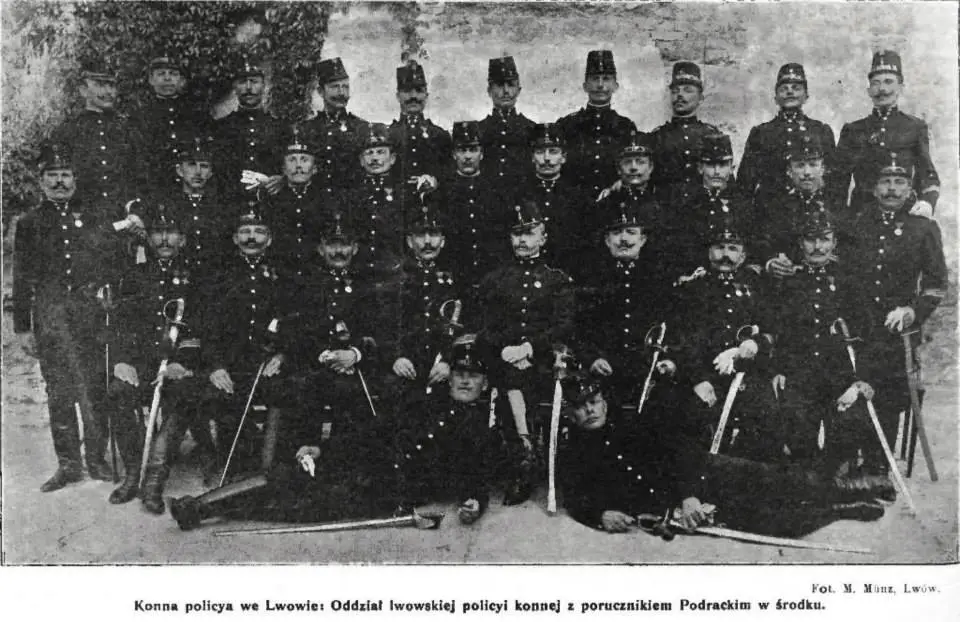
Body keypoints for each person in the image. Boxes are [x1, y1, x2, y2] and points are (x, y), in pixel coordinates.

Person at [559, 371, 889, 537]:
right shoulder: (573, 450)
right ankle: (844, 510)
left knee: (784, 482)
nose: (590, 411)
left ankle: (857, 488)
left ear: (605, 400)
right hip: (674, 505)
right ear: (568, 414)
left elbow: (681, 451)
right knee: (776, 522)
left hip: (703, 472)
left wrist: (688, 494)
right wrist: (601, 515)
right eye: (580, 407)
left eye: (594, 402)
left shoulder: (633, 423)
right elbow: (575, 496)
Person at [13, 143, 119, 491]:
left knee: (94, 388)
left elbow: (109, 264)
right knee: (59, 391)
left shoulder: (94, 217)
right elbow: (22, 276)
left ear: (75, 179)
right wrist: (23, 328)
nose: (60, 182)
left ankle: (96, 459)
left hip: (89, 314)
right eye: (52, 175)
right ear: (41, 181)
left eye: (65, 175)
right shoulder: (29, 223)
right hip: (51, 316)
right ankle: (69, 465)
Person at [841, 152, 947, 478]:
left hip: (896, 333)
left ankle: (877, 467)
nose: (891, 189)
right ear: (873, 188)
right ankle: (845, 461)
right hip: (856, 329)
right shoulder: (855, 224)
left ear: (910, 189)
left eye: (899, 182)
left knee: (887, 391)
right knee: (844, 385)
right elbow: (841, 275)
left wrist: (912, 312)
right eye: (885, 182)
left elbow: (935, 285)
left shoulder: (923, 228)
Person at [107, 204, 209, 511]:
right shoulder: (133, 275)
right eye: (157, 233)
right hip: (142, 362)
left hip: (180, 363)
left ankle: (154, 479)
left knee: (184, 393)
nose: (164, 239)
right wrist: (122, 361)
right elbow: (120, 324)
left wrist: (183, 362)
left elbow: (204, 326)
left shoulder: (198, 278)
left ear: (183, 239)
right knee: (118, 392)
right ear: (147, 238)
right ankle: (133, 473)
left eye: (171, 233)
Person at [477, 199, 575, 505]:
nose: (522, 240)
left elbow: (564, 324)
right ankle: (524, 459)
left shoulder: (556, 280)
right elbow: (486, 325)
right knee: (508, 376)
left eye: (529, 233)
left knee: (524, 378)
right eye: (517, 233)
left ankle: (534, 458)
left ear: (543, 238)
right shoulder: (495, 280)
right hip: (505, 358)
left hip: (544, 357)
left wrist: (529, 348)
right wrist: (506, 349)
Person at [768, 210, 874, 469]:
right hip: (799, 375)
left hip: (840, 375)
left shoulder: (849, 282)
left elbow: (866, 334)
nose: (817, 247)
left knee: (846, 431)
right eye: (810, 239)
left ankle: (835, 478)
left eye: (824, 239)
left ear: (834, 242)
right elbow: (779, 330)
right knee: (798, 434)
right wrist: (778, 369)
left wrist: (859, 381)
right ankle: (807, 480)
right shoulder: (788, 283)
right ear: (800, 243)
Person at [672, 215, 779, 462]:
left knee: (765, 429)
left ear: (743, 255)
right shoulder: (692, 290)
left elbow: (773, 330)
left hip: (749, 376)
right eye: (719, 247)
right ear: (709, 252)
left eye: (733, 248)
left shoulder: (757, 287)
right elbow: (682, 341)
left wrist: (755, 344)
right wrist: (698, 380)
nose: (725, 255)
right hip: (706, 378)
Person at [201, 202, 295, 481]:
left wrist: (282, 355)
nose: (252, 237)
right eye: (245, 231)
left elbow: (295, 322)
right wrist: (216, 366)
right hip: (231, 363)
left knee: (288, 390)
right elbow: (208, 327)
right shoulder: (219, 276)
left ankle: (273, 465)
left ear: (270, 238)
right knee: (225, 394)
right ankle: (235, 466)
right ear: (234, 238)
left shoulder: (284, 275)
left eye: (259, 231)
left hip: (270, 361)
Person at [387, 334, 499, 525]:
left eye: (473, 376)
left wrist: (475, 501)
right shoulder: (423, 410)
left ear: (485, 384)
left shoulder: (477, 425)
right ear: (449, 380)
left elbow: (477, 470)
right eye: (459, 375)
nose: (465, 382)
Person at [290, 212, 385, 434]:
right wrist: (324, 354)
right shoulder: (305, 284)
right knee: (301, 389)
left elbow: (376, 327)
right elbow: (297, 328)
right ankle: (307, 449)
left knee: (357, 398)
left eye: (344, 245)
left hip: (356, 364)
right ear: (320, 249)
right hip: (315, 363)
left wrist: (354, 354)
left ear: (355, 248)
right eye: (332, 245)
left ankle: (345, 450)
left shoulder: (367, 284)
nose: (338, 251)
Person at [577, 193, 674, 405]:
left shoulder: (659, 279)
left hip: (650, 372)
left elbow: (673, 325)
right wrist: (591, 358)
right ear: (606, 240)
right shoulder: (592, 279)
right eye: (616, 233)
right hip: (605, 372)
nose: (623, 239)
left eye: (631, 232)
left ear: (643, 240)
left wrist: (669, 359)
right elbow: (579, 327)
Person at [835, 51, 939, 217]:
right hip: (862, 217)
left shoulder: (914, 127)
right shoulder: (853, 130)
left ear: (900, 87)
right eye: (876, 83)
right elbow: (837, 182)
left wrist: (927, 202)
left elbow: (927, 174)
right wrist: (839, 219)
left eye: (889, 82)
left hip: (905, 214)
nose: (882, 89)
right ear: (869, 90)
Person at [387, 193, 464, 402]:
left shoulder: (457, 280)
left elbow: (466, 326)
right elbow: (382, 326)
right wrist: (395, 358)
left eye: (434, 234)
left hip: (445, 371)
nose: (428, 242)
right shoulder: (395, 279)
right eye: (420, 235)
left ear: (443, 241)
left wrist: (449, 361)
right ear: (409, 241)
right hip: (404, 370)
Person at [738, 63, 838, 209]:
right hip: (769, 213)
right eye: (784, 89)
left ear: (806, 96)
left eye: (796, 88)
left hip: (809, 211)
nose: (790, 92)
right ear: (776, 98)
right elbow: (745, 184)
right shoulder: (761, 133)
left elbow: (832, 181)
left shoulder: (821, 131)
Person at [49, 58, 133, 221]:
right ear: (83, 90)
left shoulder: (127, 129)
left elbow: (139, 175)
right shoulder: (68, 130)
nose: (108, 92)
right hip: (80, 215)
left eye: (111, 85)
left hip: (122, 216)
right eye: (100, 85)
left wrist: (135, 212)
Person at [665, 132, 753, 277]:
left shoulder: (743, 204)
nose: (717, 172)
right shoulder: (684, 204)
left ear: (732, 168)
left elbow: (751, 246)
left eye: (723, 165)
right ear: (700, 168)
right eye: (711, 165)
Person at [555, 50, 637, 198]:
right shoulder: (567, 125)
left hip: (614, 201)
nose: (600, 85)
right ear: (585, 86)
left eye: (606, 79)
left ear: (615, 86)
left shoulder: (625, 126)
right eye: (594, 79)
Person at [128, 50, 209, 195]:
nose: (167, 78)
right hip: (154, 186)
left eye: (173, 74)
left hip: (188, 189)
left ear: (181, 80)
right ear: (151, 80)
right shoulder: (140, 115)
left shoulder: (195, 113)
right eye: (161, 74)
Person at [442, 120, 510, 289]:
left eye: (473, 150)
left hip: (493, 276)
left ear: (481, 153)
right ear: (454, 154)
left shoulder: (497, 189)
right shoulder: (442, 190)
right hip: (455, 275)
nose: (467, 156)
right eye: (462, 150)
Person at [759, 134, 835, 279]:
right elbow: (761, 241)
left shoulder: (835, 205)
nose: (807, 173)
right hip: (785, 279)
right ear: (789, 170)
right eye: (800, 165)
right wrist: (770, 261)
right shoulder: (774, 205)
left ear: (822, 169)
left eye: (813, 165)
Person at [516, 123, 586, 279]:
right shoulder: (518, 194)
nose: (546, 158)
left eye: (553, 151)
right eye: (540, 152)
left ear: (563, 157)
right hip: (526, 276)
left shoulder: (579, 196)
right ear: (532, 157)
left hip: (569, 274)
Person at [345, 123, 416, 278]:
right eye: (369, 153)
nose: (374, 158)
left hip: (397, 271)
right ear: (361, 160)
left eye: (380, 152)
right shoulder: (351, 194)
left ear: (392, 158)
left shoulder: (406, 192)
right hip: (360, 271)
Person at [591, 131, 662, 275]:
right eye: (627, 162)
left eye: (640, 162)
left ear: (651, 167)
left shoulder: (663, 201)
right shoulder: (605, 204)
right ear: (618, 169)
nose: (633, 167)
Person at [213, 57, 284, 200]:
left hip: (270, 200)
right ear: (235, 87)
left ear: (264, 86)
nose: (248, 88)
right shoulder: (221, 127)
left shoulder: (279, 127)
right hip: (232, 200)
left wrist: (282, 179)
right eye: (242, 82)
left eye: (254, 81)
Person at [650, 62, 720, 197]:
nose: (680, 95)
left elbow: (725, 183)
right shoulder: (657, 137)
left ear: (701, 98)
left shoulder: (712, 135)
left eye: (688, 90)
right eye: (675, 91)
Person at [302, 57, 370, 197]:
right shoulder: (307, 129)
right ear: (321, 91)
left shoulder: (361, 128)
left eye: (345, 87)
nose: (341, 93)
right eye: (334, 87)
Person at [267, 128, 329, 279]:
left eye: (304, 160)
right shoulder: (271, 199)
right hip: (281, 273)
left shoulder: (326, 199)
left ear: (315, 169)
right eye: (292, 160)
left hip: (318, 272)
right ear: (283, 169)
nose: (298, 166)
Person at [388, 60, 452, 181]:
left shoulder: (440, 136)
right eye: (407, 91)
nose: (413, 96)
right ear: (398, 96)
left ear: (426, 96)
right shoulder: (389, 136)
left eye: (419, 91)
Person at [478, 55, 537, 186]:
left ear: (518, 90)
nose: (506, 91)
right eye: (499, 85)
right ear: (489, 91)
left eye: (511, 85)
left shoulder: (531, 129)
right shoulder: (479, 130)